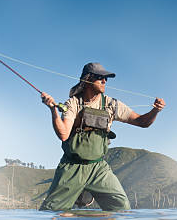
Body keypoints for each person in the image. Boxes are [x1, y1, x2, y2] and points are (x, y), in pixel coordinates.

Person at [39, 62, 165, 211]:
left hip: (99, 168)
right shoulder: (73, 103)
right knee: (50, 211)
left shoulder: (112, 104)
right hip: (72, 167)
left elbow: (142, 122)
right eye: (100, 78)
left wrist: (155, 111)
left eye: (106, 78)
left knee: (122, 208)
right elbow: (64, 134)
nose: (104, 81)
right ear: (87, 80)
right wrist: (53, 111)